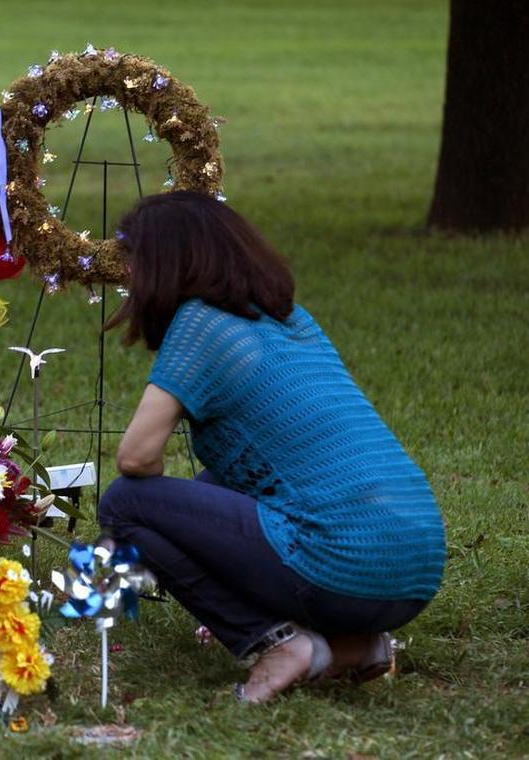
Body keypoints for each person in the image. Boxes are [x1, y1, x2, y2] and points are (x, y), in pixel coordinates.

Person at [98, 191, 445, 702]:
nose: (130, 278)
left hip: (339, 563)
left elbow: (137, 456)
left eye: (135, 262)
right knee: (211, 485)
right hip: (415, 567)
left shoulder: (201, 323)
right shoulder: (291, 319)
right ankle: (358, 645)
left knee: (127, 503)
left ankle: (278, 642)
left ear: (165, 264)